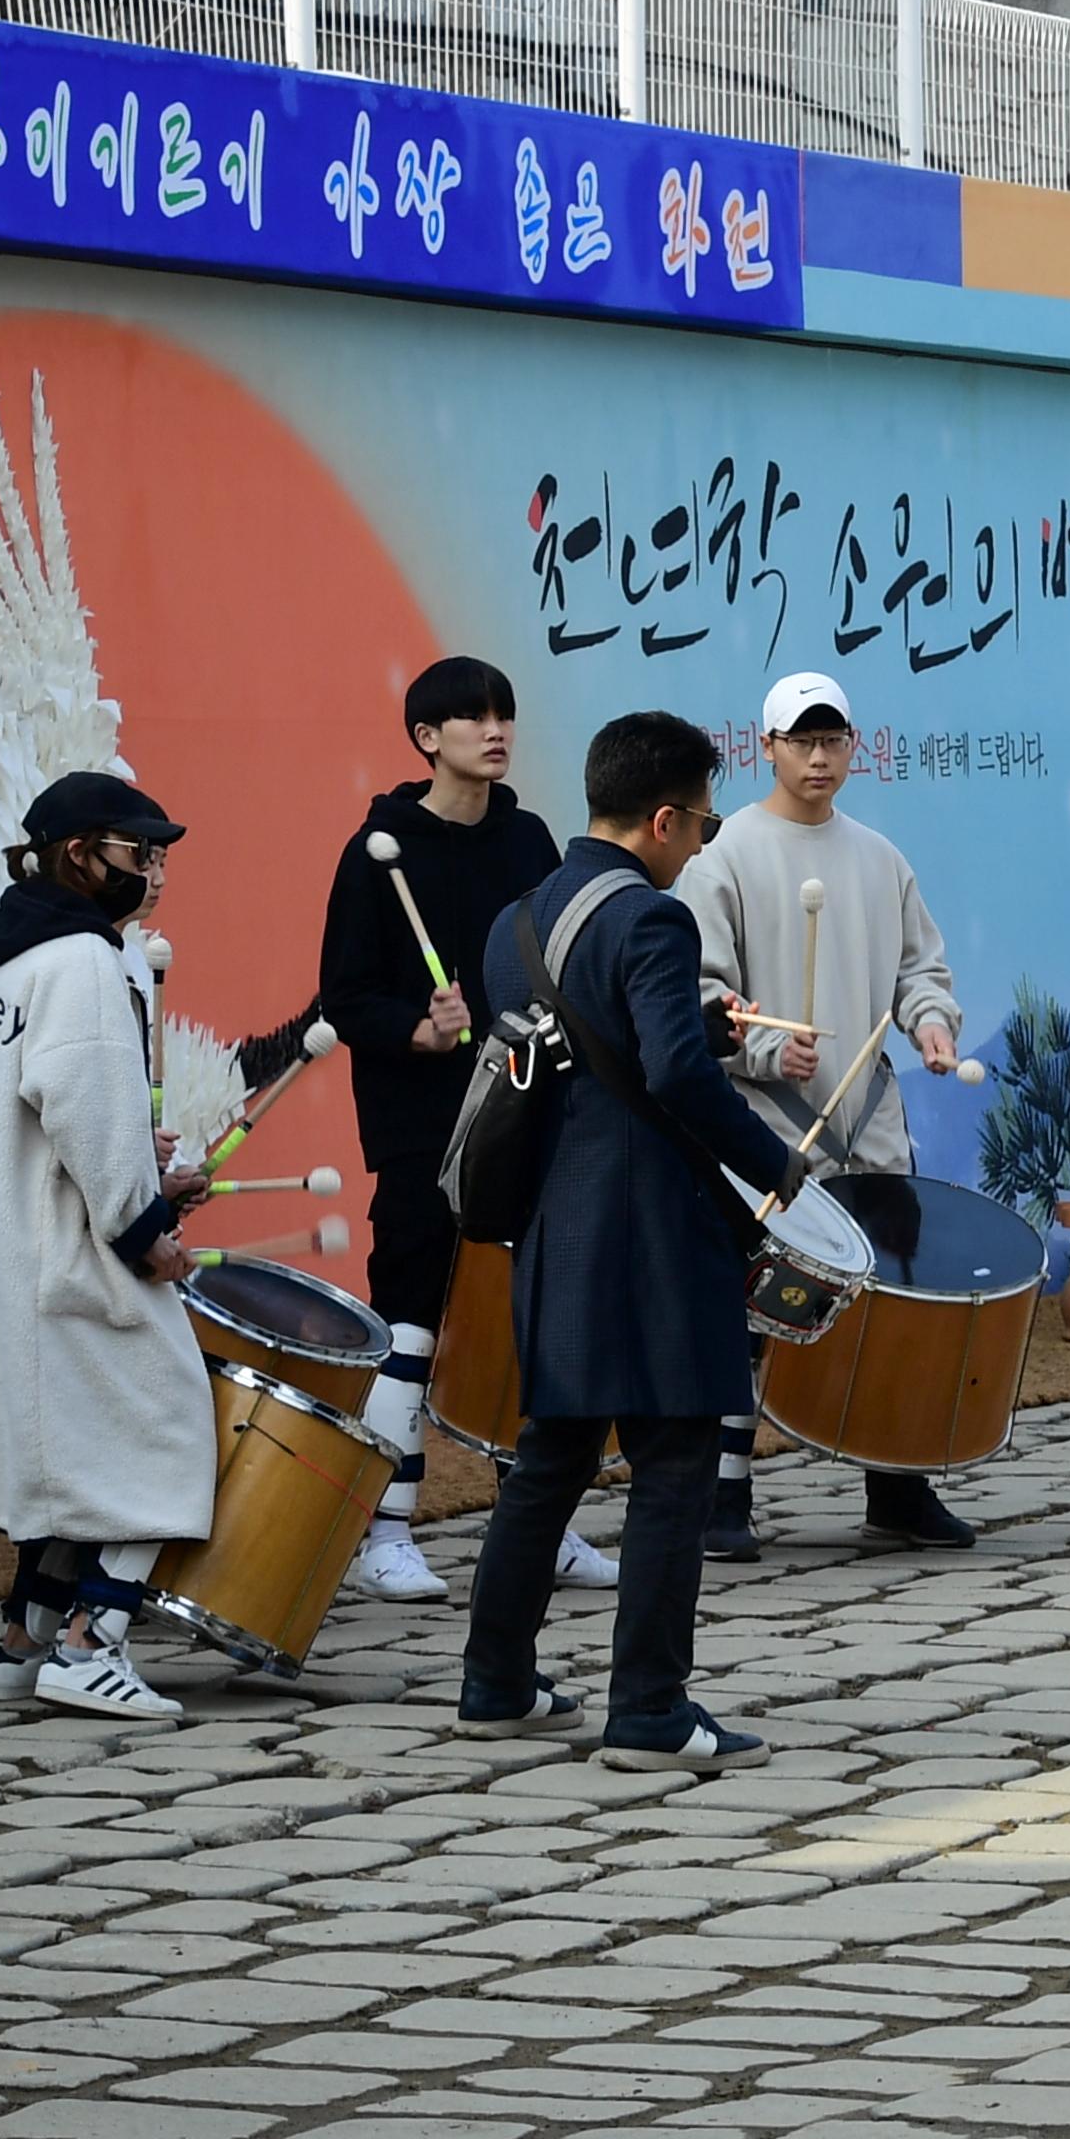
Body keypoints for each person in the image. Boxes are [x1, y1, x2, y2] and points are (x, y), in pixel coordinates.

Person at [459, 711, 808, 1768]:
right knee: (673, 1461)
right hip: (649, 1234)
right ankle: (650, 1708)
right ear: (662, 818)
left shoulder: (515, 922)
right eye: (701, 824)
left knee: (550, 1458)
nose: (701, 844)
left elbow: (597, 1049)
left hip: (553, 1229)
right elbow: (674, 1079)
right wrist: (777, 1164)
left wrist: (698, 1027)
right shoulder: (656, 921)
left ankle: (497, 1680)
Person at [0, 773, 213, 1721]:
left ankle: (23, 1642)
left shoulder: (15, 962)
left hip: (19, 1243)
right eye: (135, 850)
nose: (150, 869)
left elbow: (44, 1104)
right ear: (80, 856)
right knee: (164, 1429)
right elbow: (83, 1104)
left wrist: (135, 1166)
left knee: (73, 1460)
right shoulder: (82, 961)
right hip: (70, 1253)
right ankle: (92, 1643)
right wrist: (146, 1227)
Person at [675, 671, 972, 1555]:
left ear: (852, 745)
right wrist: (766, 1048)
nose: (817, 756)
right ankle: (725, 1495)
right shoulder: (721, 857)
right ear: (763, 747)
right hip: (760, 1122)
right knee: (749, 1302)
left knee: (890, 1299)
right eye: (799, 741)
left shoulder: (880, 858)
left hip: (867, 1117)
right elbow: (700, 998)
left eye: (831, 739)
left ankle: (897, 1486)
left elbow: (923, 969)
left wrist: (929, 1024)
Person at [312, 656, 588, 1605]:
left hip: (525, 1106)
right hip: (421, 1121)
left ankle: (540, 1526)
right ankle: (384, 1532)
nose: (494, 729)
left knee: (529, 1314)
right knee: (413, 1317)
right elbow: (343, 999)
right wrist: (414, 1029)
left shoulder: (528, 841)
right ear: (428, 738)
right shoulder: (379, 849)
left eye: (502, 713)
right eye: (471, 717)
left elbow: (559, 960)